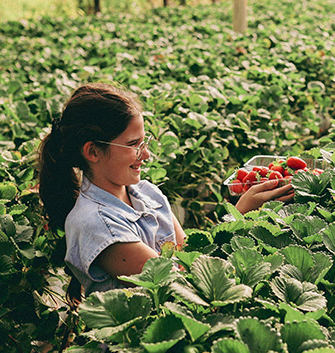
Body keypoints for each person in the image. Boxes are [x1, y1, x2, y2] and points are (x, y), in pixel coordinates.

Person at [38, 83, 293, 297]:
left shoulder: (147, 193)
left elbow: (191, 256)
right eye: (134, 144)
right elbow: (183, 284)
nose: (146, 154)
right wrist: (239, 216)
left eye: (145, 141)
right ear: (93, 151)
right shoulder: (94, 225)